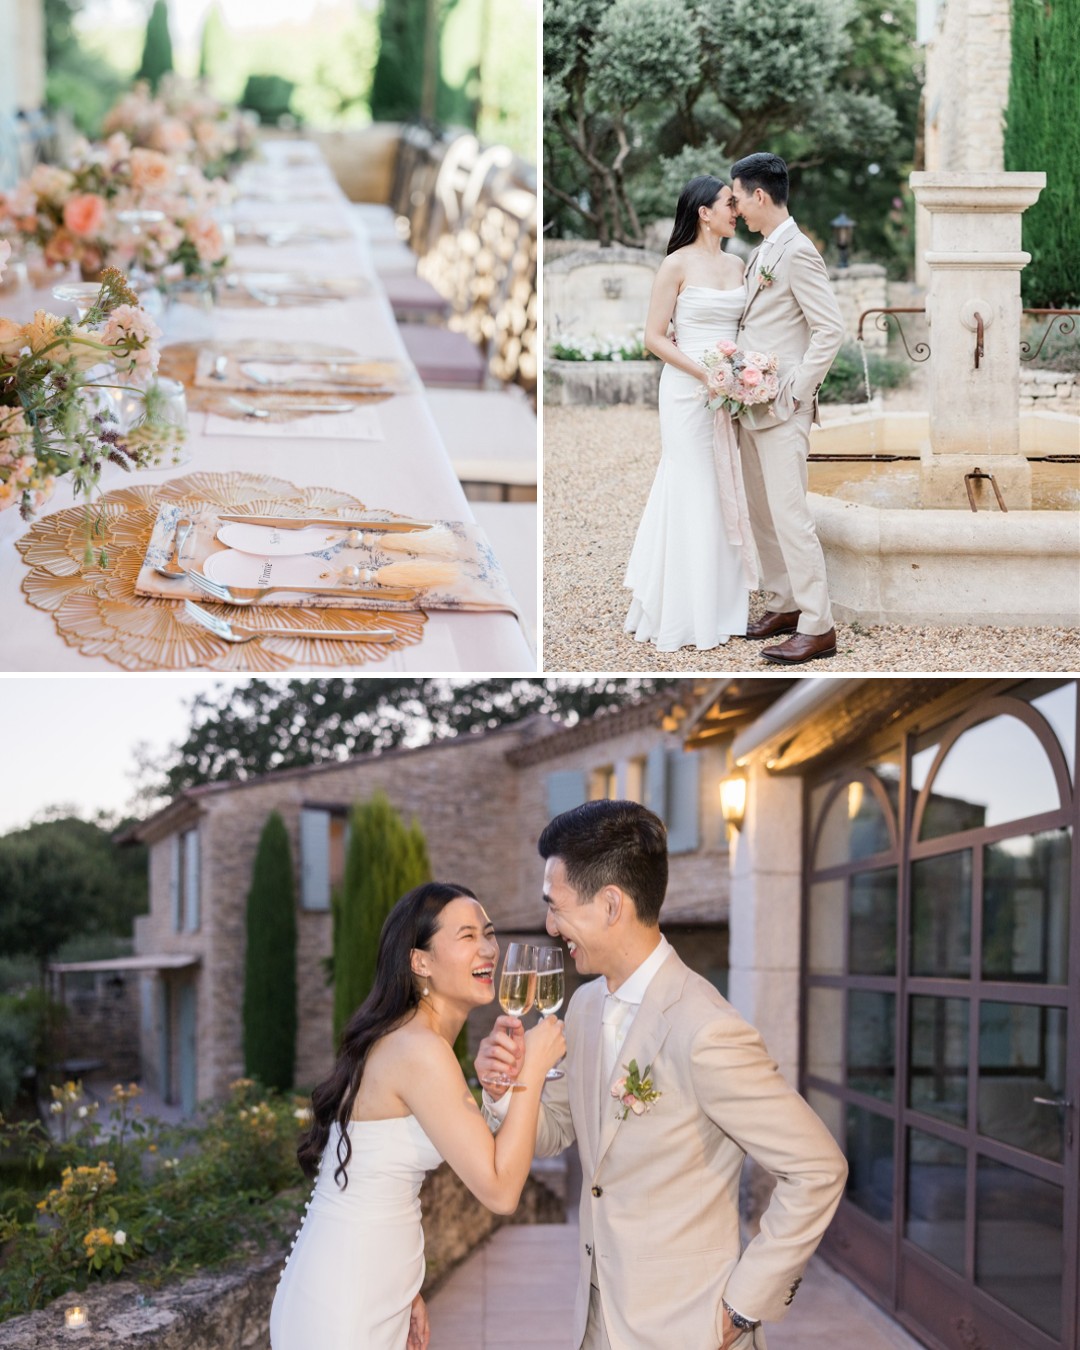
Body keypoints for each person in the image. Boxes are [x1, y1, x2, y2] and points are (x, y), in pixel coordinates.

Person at [476, 802, 847, 1350]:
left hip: (687, 1329)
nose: (551, 926)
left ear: (610, 905)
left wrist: (746, 1303)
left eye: (556, 907)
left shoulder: (706, 1029)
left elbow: (818, 1168)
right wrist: (504, 1092)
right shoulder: (581, 1006)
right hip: (596, 1319)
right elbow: (556, 1128)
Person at [271, 881, 565, 1350]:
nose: (489, 947)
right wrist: (533, 1068)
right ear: (420, 962)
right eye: (467, 936)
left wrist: (406, 1289)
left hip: (369, 1287)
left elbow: (381, 1173)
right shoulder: (419, 1049)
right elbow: (501, 1190)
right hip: (345, 1304)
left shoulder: (412, 1039)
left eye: (488, 933)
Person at [623, 175, 753, 652]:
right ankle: (682, 608)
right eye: (728, 204)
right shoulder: (675, 264)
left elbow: (746, 329)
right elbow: (654, 337)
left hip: (730, 388)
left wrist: (746, 372)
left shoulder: (740, 265)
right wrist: (704, 373)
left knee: (724, 484)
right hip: (686, 389)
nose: (735, 211)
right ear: (704, 212)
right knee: (692, 484)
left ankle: (720, 605)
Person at [730, 151, 845, 665]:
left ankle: (819, 626)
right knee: (762, 513)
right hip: (750, 403)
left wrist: (798, 389)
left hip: (783, 405)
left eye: (737, 199)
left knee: (790, 514)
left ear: (759, 195)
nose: (736, 210)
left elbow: (830, 328)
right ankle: (784, 603)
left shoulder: (798, 251)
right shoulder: (761, 251)